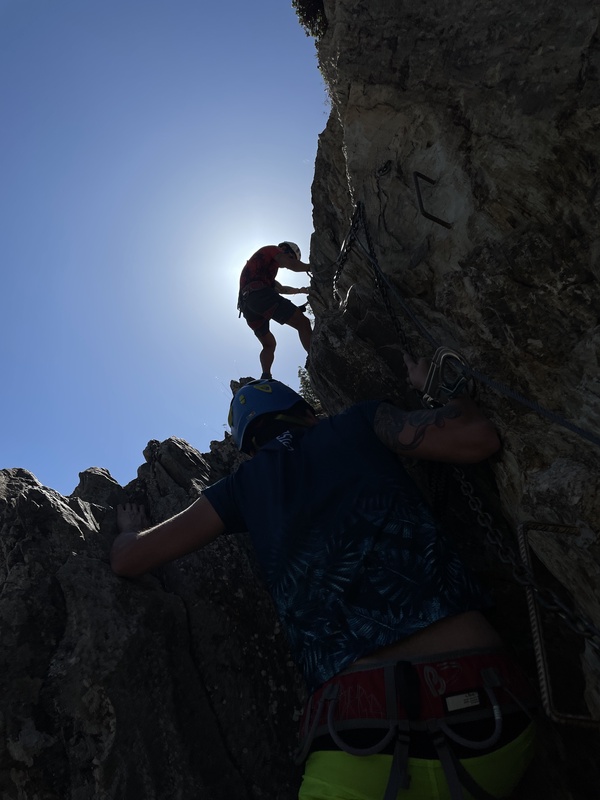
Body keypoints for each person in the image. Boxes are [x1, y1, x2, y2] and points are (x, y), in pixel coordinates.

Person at [111, 355, 536, 800]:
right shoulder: (361, 422)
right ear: (309, 413)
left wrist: (126, 532)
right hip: (492, 715)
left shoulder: (242, 486)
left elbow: (130, 560)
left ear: (248, 445)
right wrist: (445, 391)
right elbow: (477, 439)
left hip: (358, 743)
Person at [237, 241, 312, 379]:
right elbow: (293, 265)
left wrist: (302, 290)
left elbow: (281, 289)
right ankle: (315, 357)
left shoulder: (264, 269)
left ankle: (266, 375)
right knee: (303, 323)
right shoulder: (272, 250)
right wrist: (314, 267)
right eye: (291, 257)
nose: (289, 260)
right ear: (285, 249)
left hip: (248, 307)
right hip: (259, 294)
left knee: (269, 344)